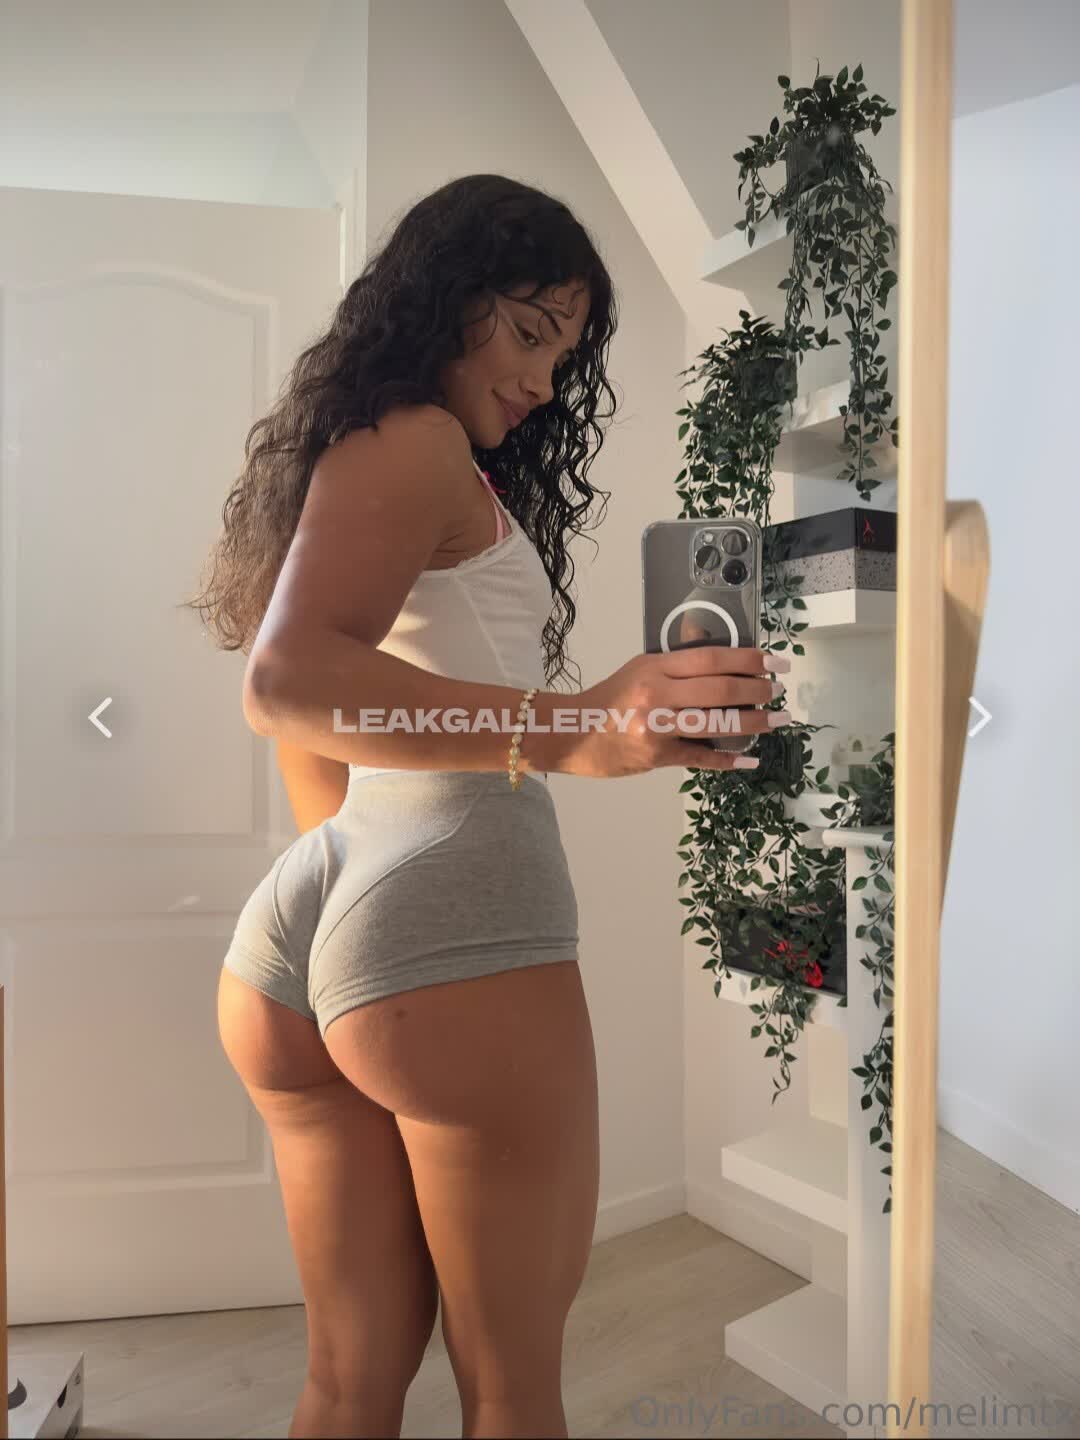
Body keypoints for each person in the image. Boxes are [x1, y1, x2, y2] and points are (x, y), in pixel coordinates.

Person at [189, 173, 790, 1439]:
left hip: (316, 915)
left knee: (346, 1385)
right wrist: (578, 729)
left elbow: (317, 723)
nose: (544, 381)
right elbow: (286, 685)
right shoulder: (418, 439)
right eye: (527, 331)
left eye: (564, 355)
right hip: (448, 915)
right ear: (443, 298)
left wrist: (360, 916)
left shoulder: (364, 449)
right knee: (512, 1394)